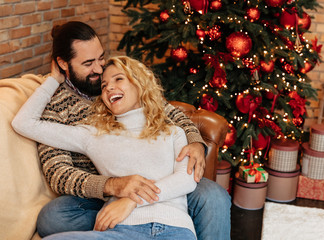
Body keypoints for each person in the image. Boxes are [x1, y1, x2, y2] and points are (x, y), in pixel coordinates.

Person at [31, 21, 231, 239]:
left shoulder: (114, 80)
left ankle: (142, 217)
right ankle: (123, 221)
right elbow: (58, 173)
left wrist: (194, 141)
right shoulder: (55, 105)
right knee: (53, 216)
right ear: (63, 63)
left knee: (213, 196)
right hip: (98, 193)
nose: (99, 69)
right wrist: (112, 186)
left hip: (158, 180)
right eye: (88, 63)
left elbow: (167, 113)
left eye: (101, 58)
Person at [12, 56, 199, 239]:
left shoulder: (173, 132)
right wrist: (54, 79)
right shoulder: (94, 135)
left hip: (174, 229)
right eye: (104, 85)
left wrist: (131, 201)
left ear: (139, 83)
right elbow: (24, 123)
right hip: (119, 231)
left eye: (119, 79)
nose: (109, 87)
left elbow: (187, 179)